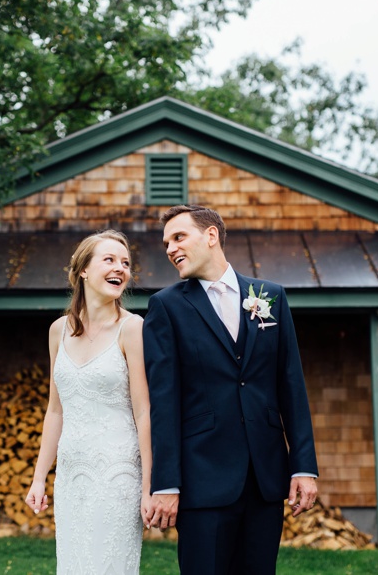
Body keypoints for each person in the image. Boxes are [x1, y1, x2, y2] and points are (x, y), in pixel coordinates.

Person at [142, 205, 318, 574]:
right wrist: (167, 484)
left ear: (211, 236)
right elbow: (164, 402)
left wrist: (303, 467)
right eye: (166, 243)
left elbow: (291, 386)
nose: (170, 249)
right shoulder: (165, 307)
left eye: (178, 237)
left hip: (265, 478)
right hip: (202, 480)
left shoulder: (270, 297)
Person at [25, 230, 152, 574]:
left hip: (118, 475)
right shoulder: (58, 330)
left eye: (125, 263)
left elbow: (144, 412)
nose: (120, 268)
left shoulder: (133, 329)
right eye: (109, 259)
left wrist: (149, 486)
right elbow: (55, 410)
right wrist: (39, 478)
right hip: (71, 476)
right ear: (83, 270)